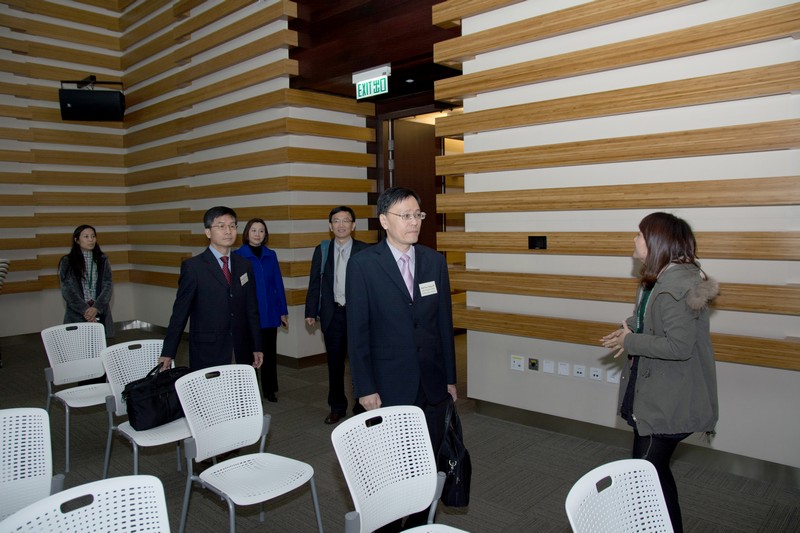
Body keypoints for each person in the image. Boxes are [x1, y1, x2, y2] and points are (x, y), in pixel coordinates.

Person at [346, 186, 457, 530]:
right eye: (405, 216)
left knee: (429, 465)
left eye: (418, 215)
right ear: (384, 221)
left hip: (433, 383)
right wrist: (364, 387)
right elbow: (358, 332)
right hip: (389, 385)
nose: (414, 222)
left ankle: (420, 524)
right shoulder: (363, 264)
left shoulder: (433, 261)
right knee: (393, 470)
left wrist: (451, 379)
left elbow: (443, 325)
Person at [601, 212, 719, 533]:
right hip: (660, 394)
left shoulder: (675, 287)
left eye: (639, 235)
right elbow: (654, 319)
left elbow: (678, 347)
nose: (634, 240)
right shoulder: (663, 278)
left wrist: (632, 339)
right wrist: (631, 327)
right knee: (652, 474)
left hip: (669, 401)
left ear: (657, 241)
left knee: (647, 475)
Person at [159, 206, 263, 372]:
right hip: (208, 350)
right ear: (208, 232)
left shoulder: (244, 265)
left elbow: (252, 309)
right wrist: (168, 352)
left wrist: (257, 346)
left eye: (232, 226)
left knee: (241, 396)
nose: (228, 231)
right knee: (212, 397)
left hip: (241, 348)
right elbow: (180, 313)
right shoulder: (194, 267)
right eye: (221, 226)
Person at [304, 206, 370, 424]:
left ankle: (362, 405)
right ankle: (337, 406)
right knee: (334, 364)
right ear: (330, 226)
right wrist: (311, 311)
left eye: (346, 220)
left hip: (358, 316)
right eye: (336, 221)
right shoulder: (322, 250)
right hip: (332, 314)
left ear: (353, 225)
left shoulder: (365, 251)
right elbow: (315, 282)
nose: (341, 224)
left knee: (360, 362)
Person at [234, 218, 288, 402]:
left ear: (266, 235)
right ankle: (250, 391)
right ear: (247, 233)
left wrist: (283, 311)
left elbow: (278, 284)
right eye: (254, 230)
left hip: (269, 312)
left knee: (269, 354)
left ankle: (269, 389)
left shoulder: (271, 255)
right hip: (247, 315)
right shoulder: (238, 256)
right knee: (249, 354)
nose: (257, 234)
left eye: (261, 231)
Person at [58, 224, 114, 337]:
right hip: (77, 313)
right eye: (86, 236)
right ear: (77, 240)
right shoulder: (67, 261)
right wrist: (86, 311)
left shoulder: (102, 260)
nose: (90, 239)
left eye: (93, 236)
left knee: (101, 349)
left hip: (99, 312)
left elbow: (108, 285)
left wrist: (96, 308)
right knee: (78, 348)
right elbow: (68, 290)